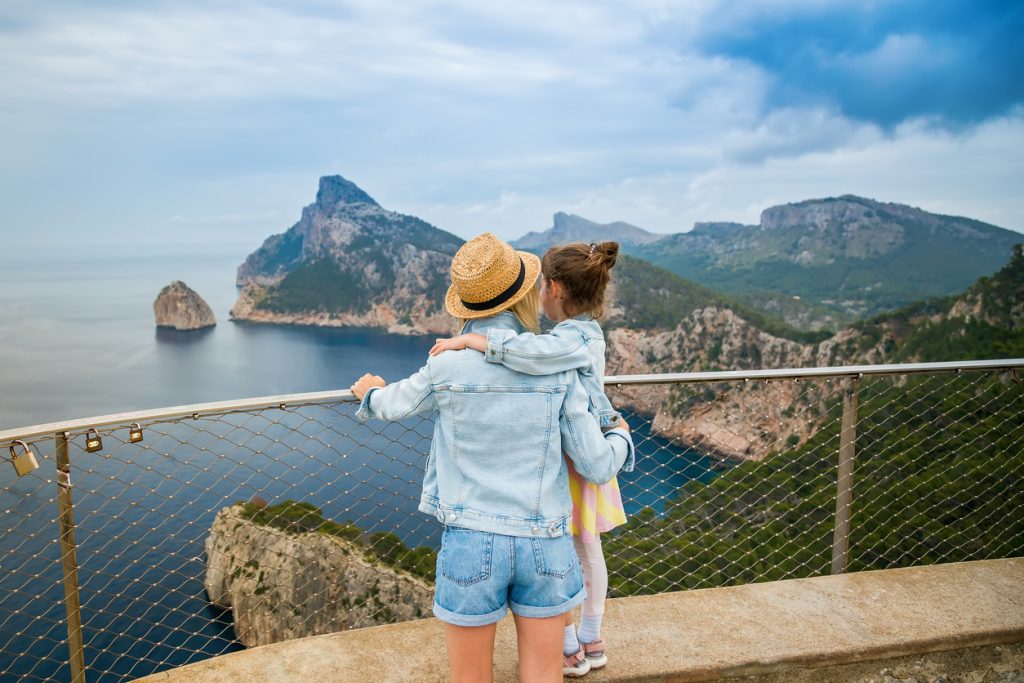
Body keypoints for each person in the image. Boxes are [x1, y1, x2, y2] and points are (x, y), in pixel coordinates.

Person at [350, 232, 634, 683]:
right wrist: (621, 435)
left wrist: (370, 393)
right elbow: (598, 464)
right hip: (545, 538)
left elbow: (392, 405)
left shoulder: (445, 364)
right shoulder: (559, 366)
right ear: (526, 293)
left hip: (471, 541)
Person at [429, 241, 629, 677]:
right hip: (571, 455)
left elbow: (533, 356)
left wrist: (475, 340)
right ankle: (577, 639)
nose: (538, 296)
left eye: (541, 287)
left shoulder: (569, 340)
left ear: (554, 288)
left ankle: (582, 638)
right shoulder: (578, 334)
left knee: (579, 549)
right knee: (579, 549)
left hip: (571, 462)